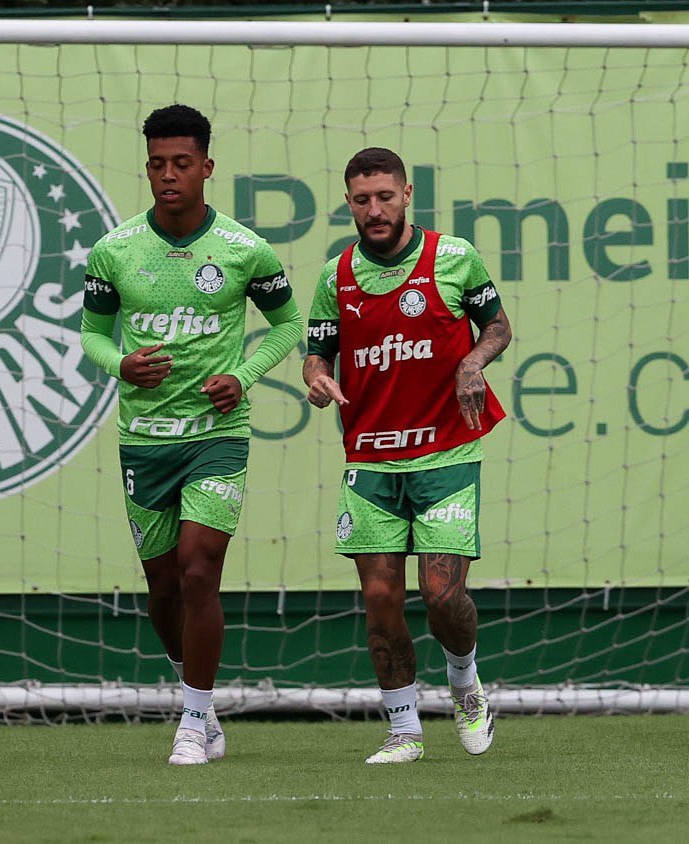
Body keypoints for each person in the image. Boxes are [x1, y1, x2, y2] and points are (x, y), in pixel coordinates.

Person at [81, 104, 303, 765]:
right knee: (163, 594)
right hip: (145, 439)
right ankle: (194, 686)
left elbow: (288, 325)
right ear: (146, 168)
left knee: (199, 570)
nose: (168, 175)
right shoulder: (114, 250)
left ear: (207, 167)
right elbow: (92, 333)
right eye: (157, 164)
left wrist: (243, 374)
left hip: (217, 434)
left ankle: (193, 720)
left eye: (182, 163)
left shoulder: (243, 249)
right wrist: (120, 363)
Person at [303, 147, 512, 763]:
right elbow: (319, 351)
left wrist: (472, 361)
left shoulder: (453, 257)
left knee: (442, 596)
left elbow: (497, 326)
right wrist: (315, 376)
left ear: (407, 194)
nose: (375, 210)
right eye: (362, 200)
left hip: (445, 452)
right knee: (379, 599)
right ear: (349, 202)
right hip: (370, 460)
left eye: (385, 197)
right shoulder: (335, 275)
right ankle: (403, 730)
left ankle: (465, 682)